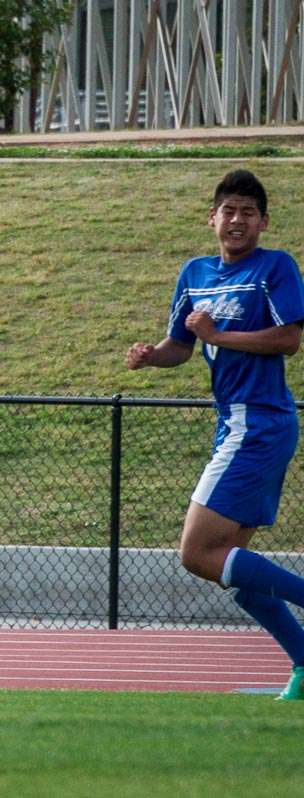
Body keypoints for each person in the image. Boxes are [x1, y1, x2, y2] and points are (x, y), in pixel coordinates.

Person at [126, 169, 304, 701]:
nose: (237, 220)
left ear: (263, 222)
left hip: (259, 423)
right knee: (241, 578)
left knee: (196, 553)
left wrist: (218, 334)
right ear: (212, 218)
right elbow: (181, 345)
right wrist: (151, 357)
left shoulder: (275, 267)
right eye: (228, 210)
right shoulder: (195, 272)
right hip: (236, 424)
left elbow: (289, 340)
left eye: (249, 212)